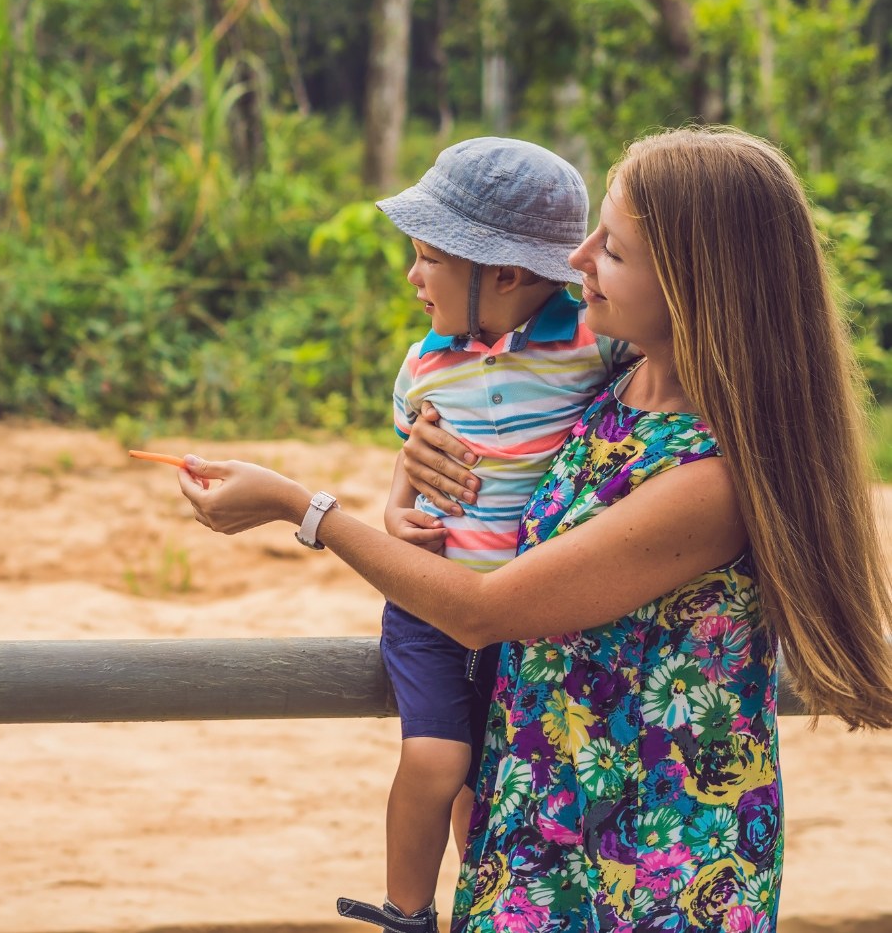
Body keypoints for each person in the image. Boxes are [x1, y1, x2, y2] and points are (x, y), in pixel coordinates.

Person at [172, 126, 892, 932]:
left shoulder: (711, 478)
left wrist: (302, 509)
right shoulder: (611, 388)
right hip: (538, 818)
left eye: (611, 250)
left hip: (651, 866)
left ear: (697, 284)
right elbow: (494, 446)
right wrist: (412, 471)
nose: (576, 260)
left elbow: (488, 612)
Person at [348, 138, 632, 933]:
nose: (412, 277)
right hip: (437, 603)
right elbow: (416, 450)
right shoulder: (424, 365)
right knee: (440, 758)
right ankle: (406, 912)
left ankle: (490, 904)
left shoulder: (596, 344)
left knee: (502, 781)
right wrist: (393, 505)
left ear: (503, 273)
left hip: (534, 611)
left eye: (428, 258)